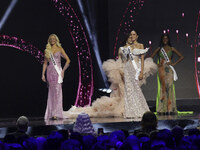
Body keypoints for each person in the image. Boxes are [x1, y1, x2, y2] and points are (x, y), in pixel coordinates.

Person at [64, 30, 157, 118]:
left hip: (136, 69)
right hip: (127, 70)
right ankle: (131, 110)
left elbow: (141, 59)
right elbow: (122, 60)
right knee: (129, 90)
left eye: (134, 35)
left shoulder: (140, 46)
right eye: (130, 35)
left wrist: (141, 72)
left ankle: (139, 109)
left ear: (137, 36)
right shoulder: (125, 48)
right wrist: (120, 70)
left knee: (136, 89)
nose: (132, 36)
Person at [151, 34, 184, 115]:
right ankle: (162, 109)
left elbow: (181, 56)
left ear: (168, 40)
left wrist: (174, 63)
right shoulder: (159, 49)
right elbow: (151, 57)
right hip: (161, 69)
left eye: (166, 38)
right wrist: (156, 64)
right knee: (163, 88)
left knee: (169, 87)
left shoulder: (172, 48)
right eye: (163, 38)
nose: (165, 40)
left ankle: (170, 108)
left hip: (169, 69)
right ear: (162, 40)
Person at [42, 34, 70, 120]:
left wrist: (63, 71)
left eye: (54, 39)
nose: (52, 40)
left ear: (56, 40)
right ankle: (51, 113)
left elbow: (68, 60)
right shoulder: (47, 50)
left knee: (57, 92)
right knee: (51, 92)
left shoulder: (60, 49)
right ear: (49, 40)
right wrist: (42, 74)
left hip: (58, 72)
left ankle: (56, 113)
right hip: (50, 72)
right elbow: (45, 63)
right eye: (51, 39)